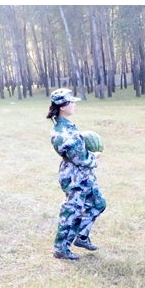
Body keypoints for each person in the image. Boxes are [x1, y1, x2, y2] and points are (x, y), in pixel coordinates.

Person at [47, 88, 106, 260]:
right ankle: (61, 249)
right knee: (71, 212)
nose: (74, 104)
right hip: (75, 177)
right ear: (62, 106)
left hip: (84, 175)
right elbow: (80, 158)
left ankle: (81, 237)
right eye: (71, 101)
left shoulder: (67, 126)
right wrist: (94, 157)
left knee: (98, 204)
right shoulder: (63, 131)